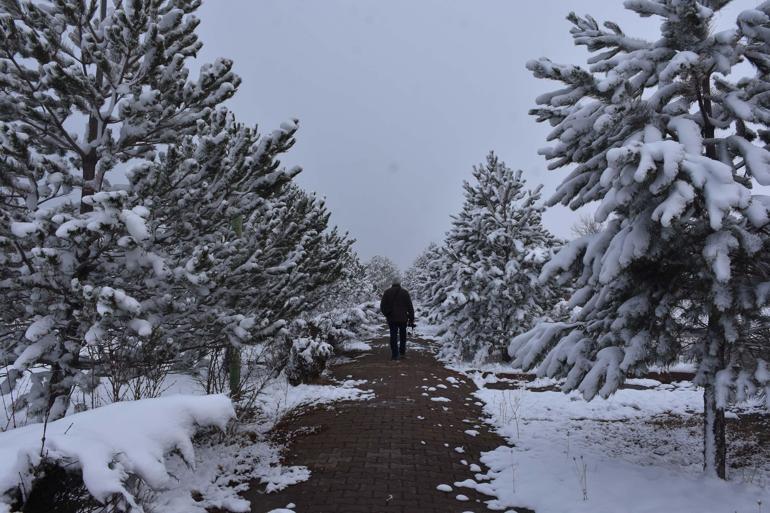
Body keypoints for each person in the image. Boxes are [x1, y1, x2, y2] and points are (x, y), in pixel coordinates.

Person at [379, 279, 415, 360]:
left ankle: (395, 354)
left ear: (392, 283)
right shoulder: (405, 292)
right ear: (399, 283)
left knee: (393, 336)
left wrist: (387, 314)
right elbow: (410, 306)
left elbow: (382, 306)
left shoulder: (387, 292)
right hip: (403, 318)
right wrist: (411, 318)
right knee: (403, 336)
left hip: (392, 319)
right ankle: (402, 352)